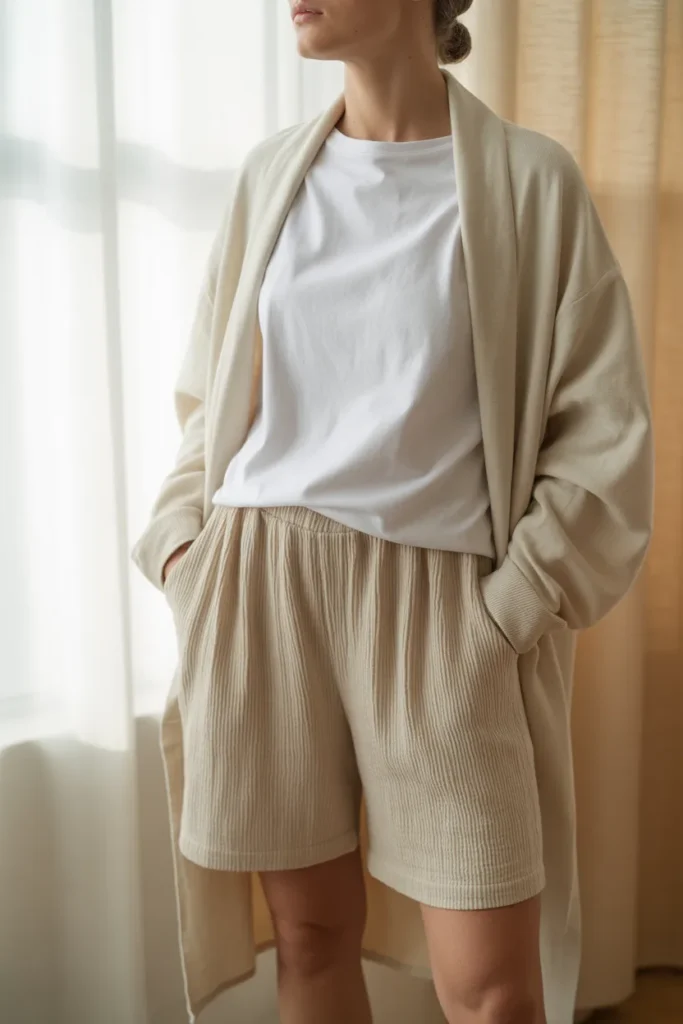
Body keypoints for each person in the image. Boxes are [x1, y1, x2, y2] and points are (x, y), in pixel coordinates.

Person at [132, 2, 654, 1022]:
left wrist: (509, 609)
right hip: (258, 583)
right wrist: (184, 552)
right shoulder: (268, 175)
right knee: (310, 941)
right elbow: (212, 397)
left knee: (493, 989)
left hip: (444, 610)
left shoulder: (526, 182)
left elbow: (600, 432)